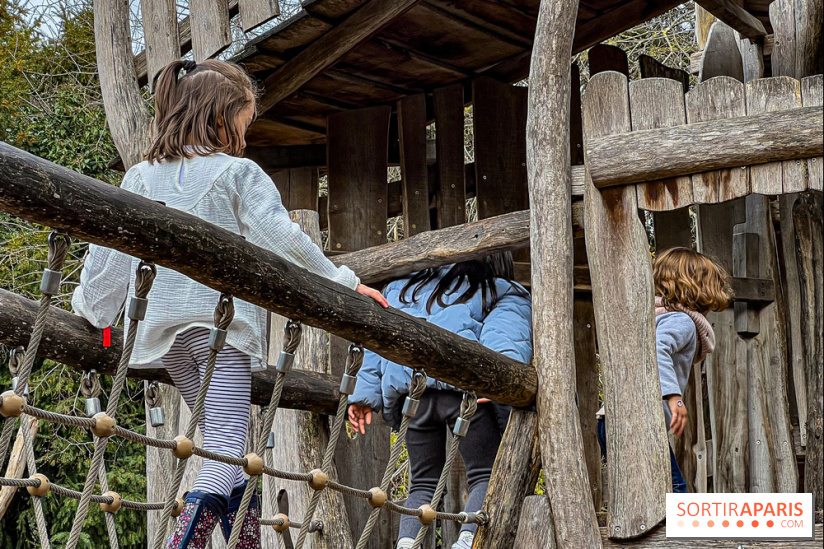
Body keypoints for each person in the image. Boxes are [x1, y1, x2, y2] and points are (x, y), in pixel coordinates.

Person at [71, 59, 388, 548]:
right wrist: (344, 282)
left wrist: (93, 314)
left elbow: (108, 255)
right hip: (220, 335)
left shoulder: (139, 177)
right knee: (222, 450)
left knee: (230, 446)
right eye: (243, 124)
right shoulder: (237, 174)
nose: (244, 136)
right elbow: (284, 239)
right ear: (220, 118)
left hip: (164, 338)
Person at [347, 253, 532, 549]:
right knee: (485, 472)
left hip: (414, 397)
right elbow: (504, 338)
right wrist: (496, 386)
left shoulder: (401, 289)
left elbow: (377, 343)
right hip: (467, 396)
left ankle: (407, 542)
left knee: (422, 481)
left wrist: (363, 396)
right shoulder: (499, 290)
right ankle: (469, 539)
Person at [595, 247, 732, 493]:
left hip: (612, 419)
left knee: (642, 495)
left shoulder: (650, 318)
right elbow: (659, 349)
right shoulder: (682, 321)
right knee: (674, 491)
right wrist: (674, 398)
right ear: (702, 291)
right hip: (637, 422)